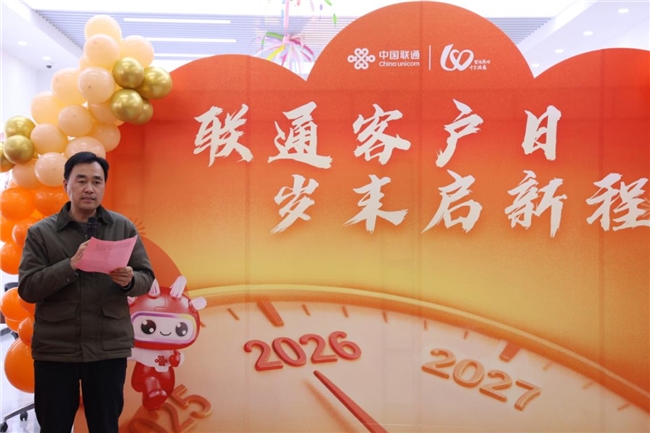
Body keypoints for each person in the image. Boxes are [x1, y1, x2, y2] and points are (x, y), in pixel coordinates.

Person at [18, 152, 155, 433]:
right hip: (57, 350)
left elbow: (146, 278)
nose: (89, 188)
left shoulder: (122, 227)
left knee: (105, 426)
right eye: (81, 181)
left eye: (97, 181)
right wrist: (70, 265)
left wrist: (130, 280)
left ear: (104, 186)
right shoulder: (41, 233)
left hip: (108, 348)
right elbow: (28, 288)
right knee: (54, 426)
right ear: (65, 185)